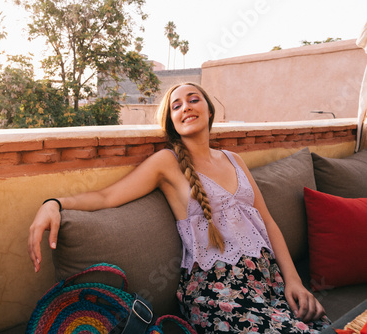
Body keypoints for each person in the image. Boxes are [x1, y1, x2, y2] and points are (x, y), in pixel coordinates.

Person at [28, 83, 331, 333]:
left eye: (193, 99)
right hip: (216, 290)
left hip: (267, 281)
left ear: (209, 110)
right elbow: (107, 197)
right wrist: (54, 204)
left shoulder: (234, 159)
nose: (185, 107)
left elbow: (267, 221)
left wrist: (294, 281)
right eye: (176, 106)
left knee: (324, 325)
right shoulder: (168, 163)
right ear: (172, 122)